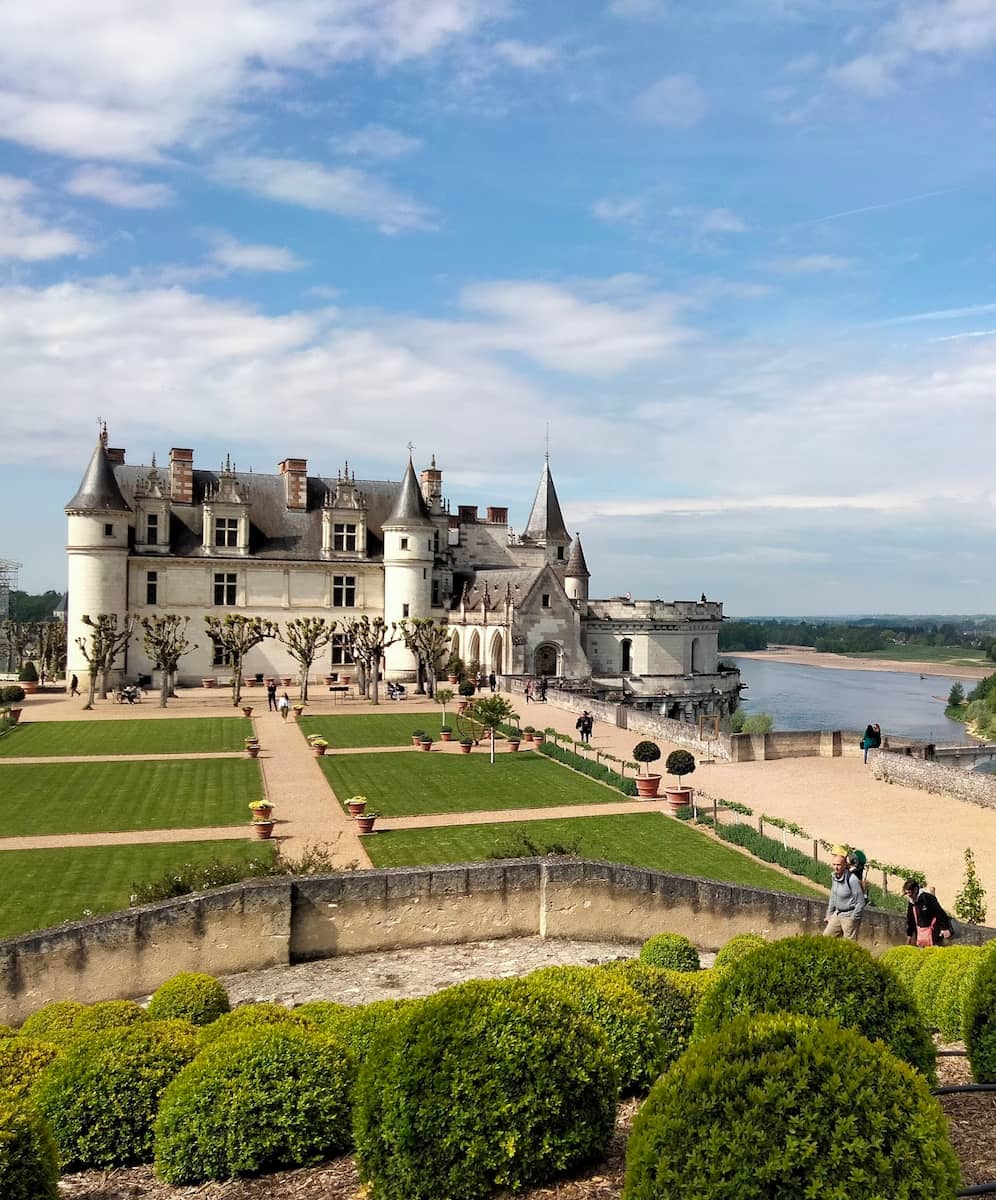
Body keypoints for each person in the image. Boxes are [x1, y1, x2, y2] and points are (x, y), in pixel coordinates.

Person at [823, 845, 865, 940]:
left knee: (848, 945)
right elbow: (833, 896)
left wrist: (853, 919)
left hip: (849, 916)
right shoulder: (834, 877)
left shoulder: (852, 879)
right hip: (837, 914)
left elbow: (860, 902)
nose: (836, 867)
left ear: (844, 865)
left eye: (838, 865)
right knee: (825, 939)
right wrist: (829, 914)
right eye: (834, 865)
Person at [903, 879, 953, 947]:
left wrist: (945, 928)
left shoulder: (927, 898)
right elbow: (911, 920)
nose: (909, 895)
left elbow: (939, 913)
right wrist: (909, 935)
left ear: (915, 890)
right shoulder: (911, 902)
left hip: (934, 931)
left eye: (910, 893)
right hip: (921, 934)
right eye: (907, 893)